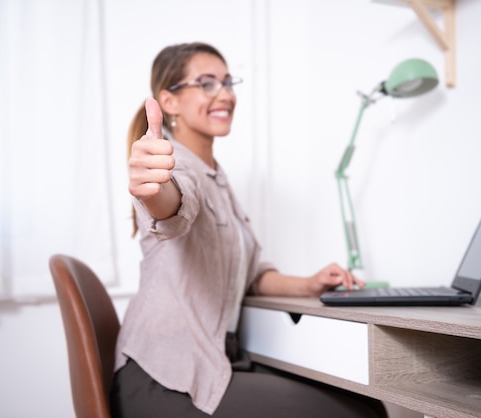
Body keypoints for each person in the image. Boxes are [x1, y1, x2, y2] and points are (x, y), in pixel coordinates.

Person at [110, 41, 387, 418]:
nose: (224, 94)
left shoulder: (218, 180)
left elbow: (252, 274)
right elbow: (173, 208)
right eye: (206, 83)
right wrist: (155, 189)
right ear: (169, 102)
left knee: (364, 404)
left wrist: (309, 283)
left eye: (227, 82)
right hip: (163, 378)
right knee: (361, 414)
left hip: (215, 363)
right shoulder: (180, 168)